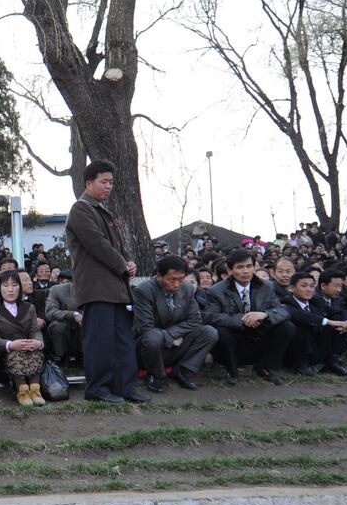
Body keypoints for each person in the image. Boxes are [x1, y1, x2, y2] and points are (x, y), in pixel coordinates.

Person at [66, 160, 148, 404]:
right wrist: (123, 265)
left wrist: (129, 262)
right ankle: (98, 389)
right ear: (88, 183)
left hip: (115, 288)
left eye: (111, 182)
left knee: (123, 340)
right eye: (104, 181)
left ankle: (125, 387)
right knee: (99, 342)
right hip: (96, 288)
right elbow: (98, 244)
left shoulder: (102, 210)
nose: (109, 186)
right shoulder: (81, 209)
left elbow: (118, 247)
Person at [204, 248, 294, 384]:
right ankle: (232, 371)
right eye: (240, 267)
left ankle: (268, 368)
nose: (245, 271)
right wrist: (243, 318)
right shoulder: (216, 291)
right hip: (235, 335)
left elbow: (283, 310)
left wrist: (264, 314)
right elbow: (210, 316)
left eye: (249, 266)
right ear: (230, 270)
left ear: (254, 267)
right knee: (221, 331)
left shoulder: (267, 286)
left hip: (259, 333)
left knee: (287, 327)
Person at [131, 255, 217, 392]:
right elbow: (145, 327)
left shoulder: (187, 288)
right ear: (159, 276)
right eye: (171, 280)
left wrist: (170, 334)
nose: (176, 284)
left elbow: (195, 320)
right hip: (150, 347)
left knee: (209, 332)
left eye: (181, 279)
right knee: (153, 337)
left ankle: (181, 371)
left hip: (177, 339)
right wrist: (169, 337)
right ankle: (154, 374)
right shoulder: (144, 290)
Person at [0, 271, 46, 406]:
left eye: (14, 285)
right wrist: (11, 345)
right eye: (6, 285)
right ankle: (22, 390)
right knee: (16, 354)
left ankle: (35, 389)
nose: (10, 289)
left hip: (27, 346)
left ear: (19, 287)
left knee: (34, 351)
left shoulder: (29, 307)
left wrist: (38, 342)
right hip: (4, 351)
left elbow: (35, 330)